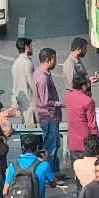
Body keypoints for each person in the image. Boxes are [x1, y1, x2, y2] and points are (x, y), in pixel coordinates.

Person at [33, 48, 65, 177]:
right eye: (54, 60)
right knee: (50, 148)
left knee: (55, 145)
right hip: (49, 116)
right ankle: (49, 175)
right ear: (47, 60)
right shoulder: (43, 79)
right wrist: (60, 104)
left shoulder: (39, 73)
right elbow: (46, 101)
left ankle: (55, 172)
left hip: (50, 116)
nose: (55, 62)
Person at [67, 73, 99, 164]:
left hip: (73, 142)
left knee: (77, 170)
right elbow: (92, 125)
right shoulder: (88, 101)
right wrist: (97, 143)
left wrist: (88, 85)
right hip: (86, 143)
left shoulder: (68, 96)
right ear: (84, 87)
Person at [12, 37, 38, 127]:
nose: (32, 48)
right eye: (31, 46)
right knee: (32, 131)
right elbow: (32, 84)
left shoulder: (16, 63)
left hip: (22, 102)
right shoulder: (27, 63)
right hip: (30, 103)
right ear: (27, 47)